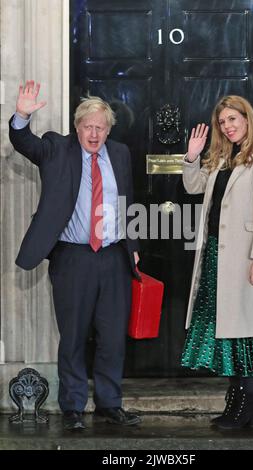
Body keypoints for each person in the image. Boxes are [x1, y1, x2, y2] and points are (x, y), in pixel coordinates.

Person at [9, 80, 141, 430]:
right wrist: (21, 114)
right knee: (74, 336)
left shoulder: (121, 153)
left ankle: (110, 404)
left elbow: (127, 202)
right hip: (72, 258)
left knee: (112, 337)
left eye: (100, 127)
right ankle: (72, 407)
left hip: (114, 258)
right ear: (77, 127)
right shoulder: (56, 149)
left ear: (108, 129)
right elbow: (23, 142)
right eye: (88, 127)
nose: (94, 134)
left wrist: (134, 248)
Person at [181, 95, 253, 430]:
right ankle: (238, 405)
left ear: (247, 119)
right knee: (227, 333)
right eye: (222, 122)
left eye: (233, 120)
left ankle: (247, 406)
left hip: (243, 260)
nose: (228, 126)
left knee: (246, 333)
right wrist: (192, 157)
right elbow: (192, 186)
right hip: (215, 257)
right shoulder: (222, 158)